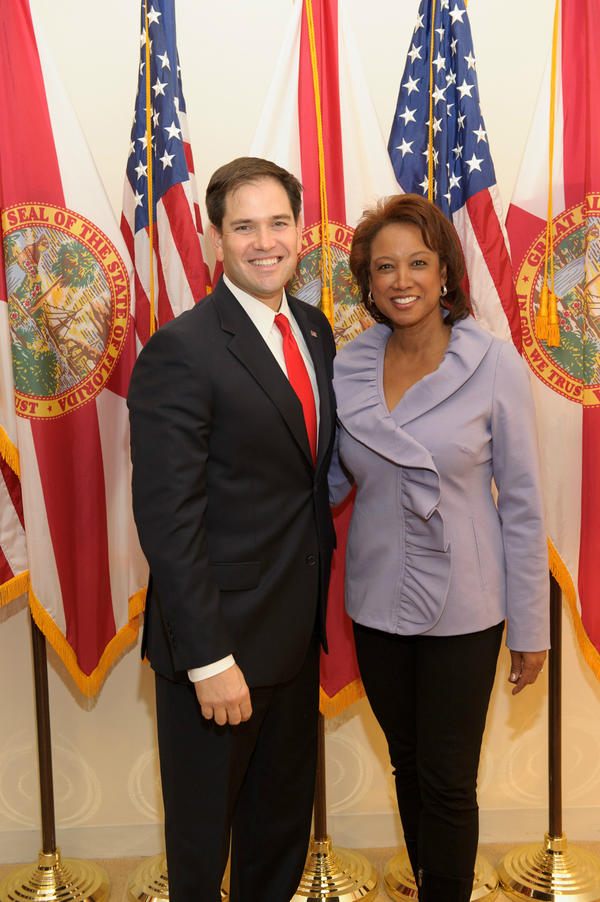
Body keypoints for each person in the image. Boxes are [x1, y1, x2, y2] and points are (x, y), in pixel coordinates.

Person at [328, 194, 549, 902]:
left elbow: (520, 502)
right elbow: (328, 480)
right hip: (375, 602)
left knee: (449, 779)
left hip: (467, 606)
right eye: (385, 266)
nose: (402, 280)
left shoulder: (494, 364)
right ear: (367, 281)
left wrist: (532, 626)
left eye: (418, 263)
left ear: (446, 273)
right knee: (408, 765)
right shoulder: (348, 367)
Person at [127, 157, 337, 902]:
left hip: (293, 634)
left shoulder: (312, 328)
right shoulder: (182, 349)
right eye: (243, 225)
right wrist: (210, 658)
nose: (264, 241)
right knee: (202, 848)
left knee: (276, 841)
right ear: (215, 236)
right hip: (217, 652)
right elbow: (167, 516)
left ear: (300, 230)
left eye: (278, 222)